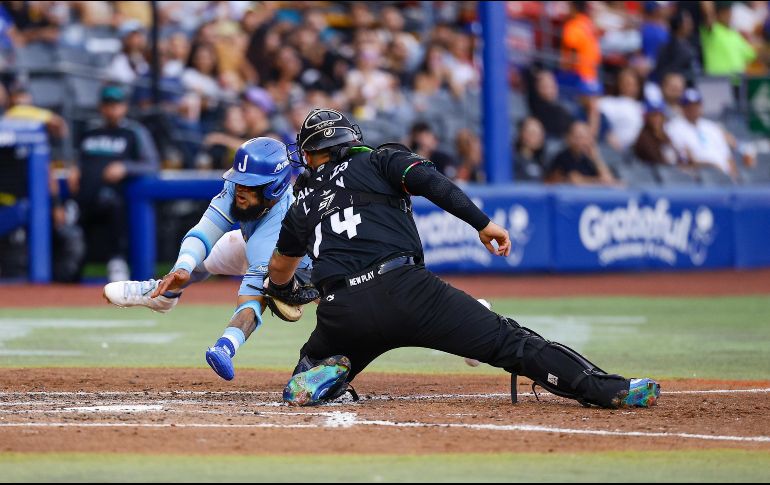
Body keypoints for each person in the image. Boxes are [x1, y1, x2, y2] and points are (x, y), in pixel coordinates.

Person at [263, 108, 659, 409]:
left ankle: (325, 375)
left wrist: (283, 292)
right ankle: (609, 390)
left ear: (311, 154)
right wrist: (482, 223)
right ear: (352, 140)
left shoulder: (302, 202)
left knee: (313, 361)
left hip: (343, 309)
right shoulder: (381, 159)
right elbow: (431, 182)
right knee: (512, 342)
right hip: (407, 291)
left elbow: (281, 269)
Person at [103, 137, 313, 381]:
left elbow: (249, 301)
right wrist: (183, 266)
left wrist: (225, 346)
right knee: (202, 257)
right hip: (249, 243)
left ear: (273, 188)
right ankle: (163, 294)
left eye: (250, 185)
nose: (240, 189)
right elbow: (205, 230)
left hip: (297, 267)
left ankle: (229, 348)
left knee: (275, 296)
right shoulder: (237, 189)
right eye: (239, 180)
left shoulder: (274, 232)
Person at [74, 85, 160, 282]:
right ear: (101, 107)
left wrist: (125, 167)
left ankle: (117, 260)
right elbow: (80, 158)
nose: (112, 109)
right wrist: (75, 168)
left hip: (118, 197)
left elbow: (152, 164)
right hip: (85, 194)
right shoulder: (90, 131)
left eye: (116, 105)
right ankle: (72, 268)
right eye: (108, 105)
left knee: (113, 207)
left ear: (124, 107)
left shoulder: (134, 132)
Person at [664, 88, 739, 177]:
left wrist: (734, 178)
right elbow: (685, 160)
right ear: (682, 107)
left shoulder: (711, 127)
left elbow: (728, 157)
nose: (693, 109)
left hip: (724, 176)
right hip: (698, 176)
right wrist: (711, 166)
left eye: (696, 105)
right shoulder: (673, 127)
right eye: (689, 105)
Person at [546, 121, 620, 186]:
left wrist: (596, 158)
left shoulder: (590, 158)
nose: (583, 141)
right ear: (569, 138)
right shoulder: (562, 157)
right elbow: (574, 180)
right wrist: (597, 181)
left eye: (586, 137)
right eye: (579, 137)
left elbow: (608, 180)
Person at [633, 99, 678, 165]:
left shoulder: (664, 135)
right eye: (653, 115)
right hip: (653, 172)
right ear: (646, 117)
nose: (657, 119)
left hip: (670, 171)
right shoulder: (644, 137)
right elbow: (658, 161)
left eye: (660, 115)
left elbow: (675, 155)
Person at [514, 117, 547, 182]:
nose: (538, 137)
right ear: (521, 134)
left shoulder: (541, 160)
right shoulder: (514, 160)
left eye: (540, 134)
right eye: (533, 133)